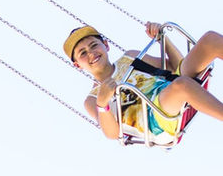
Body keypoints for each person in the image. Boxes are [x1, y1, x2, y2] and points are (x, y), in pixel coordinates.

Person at [65, 22, 223, 140]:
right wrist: (102, 103)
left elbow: (176, 67)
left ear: (106, 45)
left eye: (94, 45)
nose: (91, 53)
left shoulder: (129, 57)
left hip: (172, 87)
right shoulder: (92, 98)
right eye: (83, 53)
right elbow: (113, 134)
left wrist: (163, 40)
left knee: (210, 40)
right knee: (181, 85)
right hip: (157, 118)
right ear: (78, 64)